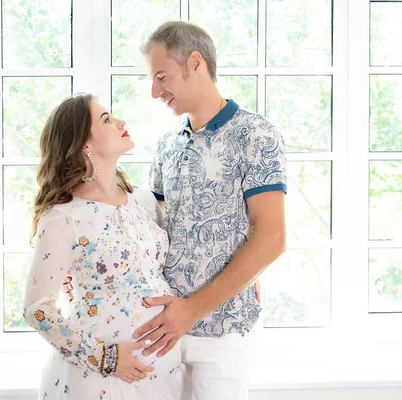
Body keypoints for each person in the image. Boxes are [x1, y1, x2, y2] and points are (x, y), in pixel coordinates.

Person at [127, 21, 288, 400]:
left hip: (223, 332)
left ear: (195, 63)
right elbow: (151, 231)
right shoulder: (167, 145)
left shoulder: (256, 135)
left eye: (161, 77)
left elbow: (272, 239)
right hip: (161, 328)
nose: (154, 91)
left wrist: (192, 310)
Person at [23, 93, 184, 400]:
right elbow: (36, 310)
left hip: (163, 378)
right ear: (84, 144)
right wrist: (107, 358)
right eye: (107, 119)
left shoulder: (144, 200)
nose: (120, 122)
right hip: (98, 381)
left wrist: (248, 275)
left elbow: (186, 255)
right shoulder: (63, 218)